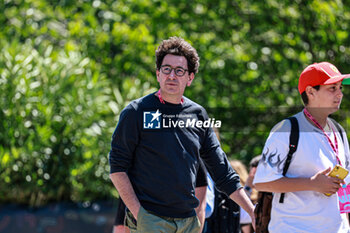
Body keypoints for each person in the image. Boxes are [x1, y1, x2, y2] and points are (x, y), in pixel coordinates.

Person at [109, 36, 255, 233]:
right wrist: (140, 214)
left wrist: (252, 211)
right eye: (166, 69)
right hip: (149, 220)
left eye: (179, 71)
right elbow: (117, 168)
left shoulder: (198, 114)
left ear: (190, 78)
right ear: (158, 73)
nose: (172, 76)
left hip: (187, 223)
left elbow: (223, 172)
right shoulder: (137, 112)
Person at [253, 62, 350, 233]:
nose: (340, 94)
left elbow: (345, 186)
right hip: (295, 228)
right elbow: (262, 182)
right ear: (311, 92)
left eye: (340, 88)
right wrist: (312, 184)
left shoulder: (339, 130)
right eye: (332, 88)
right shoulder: (286, 129)